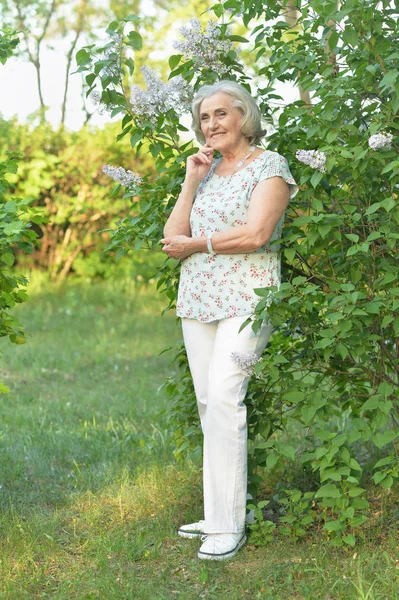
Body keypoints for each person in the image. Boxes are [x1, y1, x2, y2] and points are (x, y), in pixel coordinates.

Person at [161, 80, 298, 561]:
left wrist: (197, 245)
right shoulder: (207, 171)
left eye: (221, 114)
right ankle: (217, 513)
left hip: (248, 298)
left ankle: (228, 526)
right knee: (207, 402)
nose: (211, 124)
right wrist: (191, 181)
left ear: (244, 115)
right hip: (198, 298)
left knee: (224, 396)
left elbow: (257, 234)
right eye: (204, 118)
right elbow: (172, 235)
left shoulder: (270, 165)